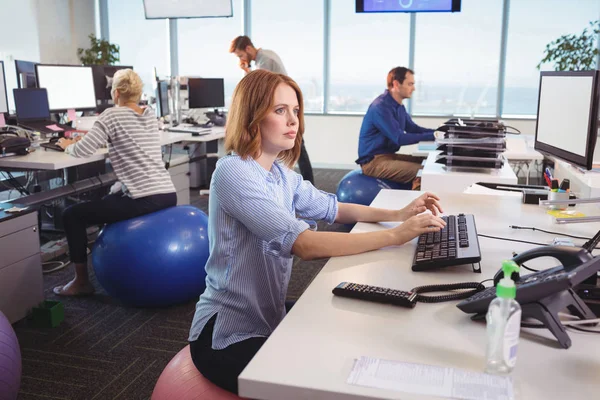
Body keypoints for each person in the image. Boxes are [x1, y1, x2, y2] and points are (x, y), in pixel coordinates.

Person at [188, 69, 446, 395]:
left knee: (353, 329)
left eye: (295, 111)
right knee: (323, 379)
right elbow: (305, 245)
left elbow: (336, 208)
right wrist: (396, 236)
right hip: (226, 334)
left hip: (269, 315)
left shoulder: (280, 175)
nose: (293, 120)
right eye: (280, 110)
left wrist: (398, 214)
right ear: (252, 116)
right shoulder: (233, 172)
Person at [54, 69, 177, 296]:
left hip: (143, 198)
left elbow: (83, 150)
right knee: (109, 199)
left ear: (117, 92)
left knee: (71, 215)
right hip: (167, 193)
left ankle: (81, 283)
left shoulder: (111, 115)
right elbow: (128, 138)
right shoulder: (148, 115)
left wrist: (66, 145)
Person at [229, 35, 314, 184]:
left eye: (241, 55)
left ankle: (302, 186)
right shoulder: (265, 56)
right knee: (298, 150)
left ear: (248, 48)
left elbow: (261, 89)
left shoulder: (265, 60)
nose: (241, 59)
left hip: (281, 107)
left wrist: (246, 70)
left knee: (297, 150)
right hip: (283, 106)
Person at [356, 67, 438, 190]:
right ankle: (417, 208)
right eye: (410, 84)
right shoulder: (380, 107)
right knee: (424, 173)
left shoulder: (398, 106)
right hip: (373, 162)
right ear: (396, 84)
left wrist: (439, 132)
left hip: (388, 156)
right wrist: (435, 136)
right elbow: (399, 138)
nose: (414, 88)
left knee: (428, 162)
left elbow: (413, 128)